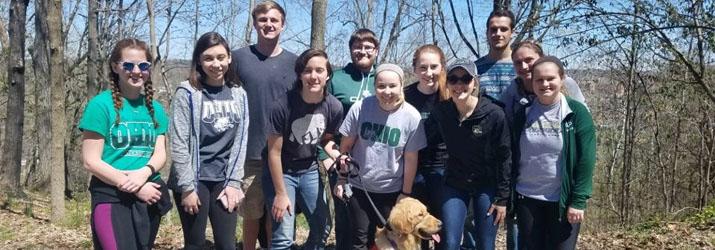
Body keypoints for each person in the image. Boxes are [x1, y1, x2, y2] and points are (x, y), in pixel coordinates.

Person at [80, 38, 172, 250]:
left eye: (143, 65)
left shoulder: (155, 109)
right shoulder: (100, 106)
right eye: (128, 65)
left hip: (149, 194)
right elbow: (91, 161)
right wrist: (135, 185)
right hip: (111, 195)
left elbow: (160, 154)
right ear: (115, 67)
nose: (136, 71)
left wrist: (144, 174)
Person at [326, 64, 426, 250]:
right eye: (381, 86)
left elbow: (411, 159)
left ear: (401, 85)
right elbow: (345, 147)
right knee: (360, 239)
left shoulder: (411, 116)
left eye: (392, 86)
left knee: (390, 241)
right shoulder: (361, 107)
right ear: (375, 86)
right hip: (359, 187)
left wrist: (405, 193)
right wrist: (341, 178)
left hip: (391, 190)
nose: (386, 91)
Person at [168, 32, 248, 250]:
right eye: (208, 58)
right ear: (199, 61)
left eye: (221, 57)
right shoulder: (188, 92)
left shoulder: (238, 93)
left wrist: (234, 182)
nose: (216, 64)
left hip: (224, 178)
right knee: (195, 243)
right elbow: (179, 142)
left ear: (229, 58)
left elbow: (241, 140)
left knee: (227, 244)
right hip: (194, 179)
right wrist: (186, 188)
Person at [231, 1, 298, 249]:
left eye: (274, 20)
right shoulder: (238, 58)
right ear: (254, 23)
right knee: (251, 213)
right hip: (250, 150)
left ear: (283, 24)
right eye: (263, 20)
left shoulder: (294, 62)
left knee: (276, 214)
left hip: (284, 153)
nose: (268, 24)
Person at [511, 56, 596, 250]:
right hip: (527, 198)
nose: (545, 84)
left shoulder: (577, 113)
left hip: (562, 201)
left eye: (550, 78)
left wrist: (578, 200)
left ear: (562, 79)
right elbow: (512, 156)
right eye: (539, 80)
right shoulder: (523, 113)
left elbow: (586, 160)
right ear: (532, 82)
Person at [263, 48, 343, 249]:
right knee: (282, 236)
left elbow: (326, 141)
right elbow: (274, 152)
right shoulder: (282, 105)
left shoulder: (333, 107)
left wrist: (338, 157)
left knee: (323, 228)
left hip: (309, 169)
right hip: (282, 172)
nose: (314, 76)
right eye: (308, 71)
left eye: (319, 70)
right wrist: (281, 194)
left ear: (328, 74)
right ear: (300, 74)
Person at [427, 62, 511, 250]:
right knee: (449, 243)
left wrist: (502, 198)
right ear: (447, 83)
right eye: (453, 79)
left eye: (465, 79)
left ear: (475, 83)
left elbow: (505, 156)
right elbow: (425, 142)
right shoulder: (442, 112)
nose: (459, 85)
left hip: (486, 185)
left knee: (485, 245)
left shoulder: (494, 114)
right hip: (455, 182)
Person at [319, 28, 380, 250]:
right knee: (346, 219)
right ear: (350, 50)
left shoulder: (383, 78)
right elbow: (322, 118)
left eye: (367, 47)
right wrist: (324, 154)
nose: (362, 51)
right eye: (357, 46)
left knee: (371, 221)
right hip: (340, 158)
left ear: (376, 50)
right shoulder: (337, 78)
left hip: (375, 161)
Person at [403, 44, 449, 248]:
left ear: (442, 67)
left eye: (433, 67)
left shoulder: (450, 94)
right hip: (413, 168)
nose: (428, 73)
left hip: (444, 169)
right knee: (416, 227)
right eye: (423, 67)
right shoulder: (405, 95)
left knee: (441, 226)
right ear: (414, 69)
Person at [501, 40, 588, 122]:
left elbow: (584, 118)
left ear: (541, 58)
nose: (524, 66)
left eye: (529, 60)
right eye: (518, 63)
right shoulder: (512, 90)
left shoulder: (566, 83)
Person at [475, 9, 517, 101]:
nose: (498, 34)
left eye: (503, 29)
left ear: (512, 33)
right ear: (487, 33)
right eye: (494, 29)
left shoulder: (522, 66)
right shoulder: (475, 69)